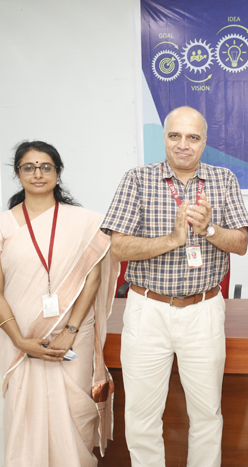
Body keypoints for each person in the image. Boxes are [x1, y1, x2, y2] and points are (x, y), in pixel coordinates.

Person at [101, 106, 248, 467]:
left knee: (206, 414)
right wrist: (172, 239)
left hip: (203, 310)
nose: (183, 144)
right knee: (141, 416)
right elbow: (117, 248)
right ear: (164, 138)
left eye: (192, 137)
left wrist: (208, 230)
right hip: (148, 310)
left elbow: (241, 244)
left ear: (204, 142)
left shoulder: (223, 179)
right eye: (175, 136)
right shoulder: (137, 179)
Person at [0, 141, 118, 467]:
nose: (37, 173)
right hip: (19, 338)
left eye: (45, 167)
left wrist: (70, 330)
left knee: (74, 414)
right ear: (18, 174)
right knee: (24, 415)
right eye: (29, 167)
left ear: (58, 172)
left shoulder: (85, 222)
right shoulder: (4, 225)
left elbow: (92, 278)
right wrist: (19, 340)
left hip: (73, 337)